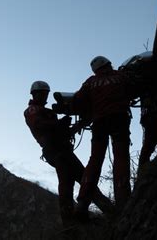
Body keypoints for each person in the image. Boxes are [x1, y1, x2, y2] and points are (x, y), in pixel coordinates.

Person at [24, 80, 113, 225]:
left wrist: (78, 125)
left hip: (60, 150)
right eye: (43, 94)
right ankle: (106, 210)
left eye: (46, 94)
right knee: (83, 179)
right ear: (36, 94)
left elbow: (57, 130)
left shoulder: (44, 111)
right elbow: (39, 125)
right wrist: (60, 124)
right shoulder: (32, 110)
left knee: (69, 183)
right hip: (57, 151)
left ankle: (71, 223)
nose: (46, 97)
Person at [72, 56, 133, 220]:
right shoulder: (121, 76)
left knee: (95, 160)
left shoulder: (90, 82)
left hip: (99, 122)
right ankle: (123, 200)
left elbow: (78, 100)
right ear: (108, 64)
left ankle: (82, 202)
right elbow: (133, 89)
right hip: (119, 119)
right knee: (121, 157)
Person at [138, 96, 157, 172]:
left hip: (151, 116)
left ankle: (142, 171)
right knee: (152, 144)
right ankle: (142, 171)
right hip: (151, 116)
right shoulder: (147, 89)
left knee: (152, 143)